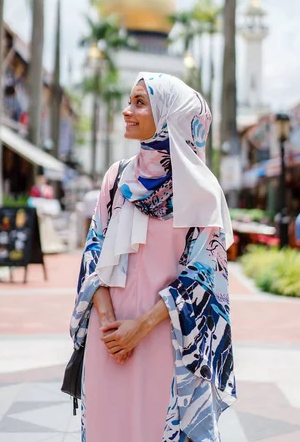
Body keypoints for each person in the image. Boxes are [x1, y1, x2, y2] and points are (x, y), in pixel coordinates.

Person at [69, 72, 236, 442]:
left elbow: (203, 277)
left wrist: (139, 328)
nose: (127, 111)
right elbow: (94, 249)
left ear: (168, 114)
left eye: (140, 103)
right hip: (108, 337)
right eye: (130, 101)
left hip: (165, 338)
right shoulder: (117, 178)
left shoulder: (202, 192)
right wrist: (111, 325)